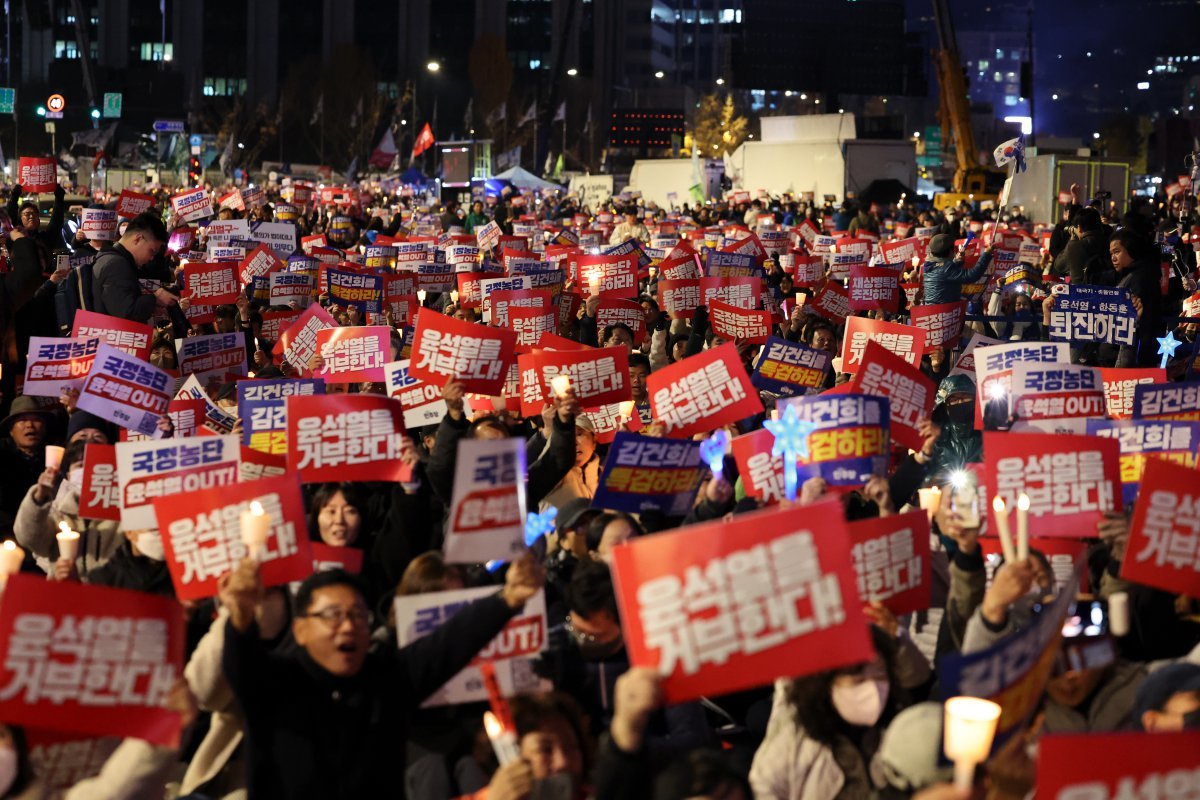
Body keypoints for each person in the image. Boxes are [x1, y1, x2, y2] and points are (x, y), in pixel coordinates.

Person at [91, 212, 177, 322]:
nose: (151, 258)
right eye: (152, 251)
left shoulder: (110, 258)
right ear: (138, 239)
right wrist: (155, 298)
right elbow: (126, 313)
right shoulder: (117, 265)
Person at [0, 396, 55, 534]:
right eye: (22, 420)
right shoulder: (2, 455)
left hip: (45, 531)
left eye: (36, 420)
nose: (30, 425)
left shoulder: (56, 456)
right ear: (11, 431)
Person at [920, 234, 995, 305]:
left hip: (933, 311)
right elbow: (973, 275)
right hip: (945, 312)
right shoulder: (946, 269)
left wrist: (957, 261)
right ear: (950, 251)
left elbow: (944, 273)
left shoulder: (929, 264)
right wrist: (986, 254)